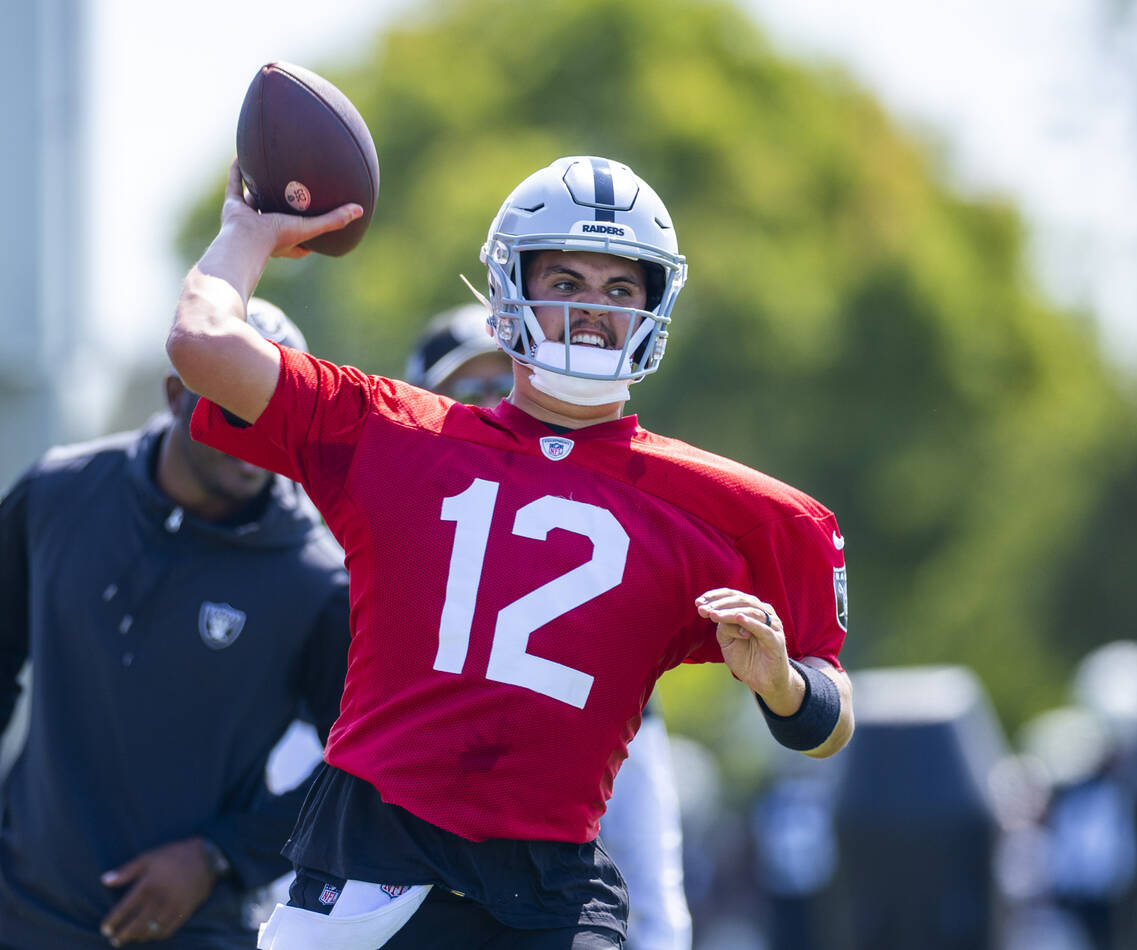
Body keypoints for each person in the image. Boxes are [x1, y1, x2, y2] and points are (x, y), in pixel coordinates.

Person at [167, 154, 855, 950]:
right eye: (565, 282)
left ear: (655, 305)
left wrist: (782, 685)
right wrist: (245, 234)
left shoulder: (739, 513)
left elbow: (830, 719)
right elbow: (203, 345)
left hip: (550, 894)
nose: (594, 310)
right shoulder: (397, 434)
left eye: (620, 288)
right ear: (508, 290)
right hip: (370, 861)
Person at [0, 300, 351, 950]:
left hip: (197, 932)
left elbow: (361, 771)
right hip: (21, 911)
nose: (262, 438)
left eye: (283, 416)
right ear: (173, 394)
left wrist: (222, 855)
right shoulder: (57, 493)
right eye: (239, 408)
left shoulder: (317, 578)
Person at [406, 305, 693, 950]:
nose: (494, 405)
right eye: (469, 390)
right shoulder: (379, 549)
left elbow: (647, 870)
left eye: (504, 384)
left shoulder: (595, 560)